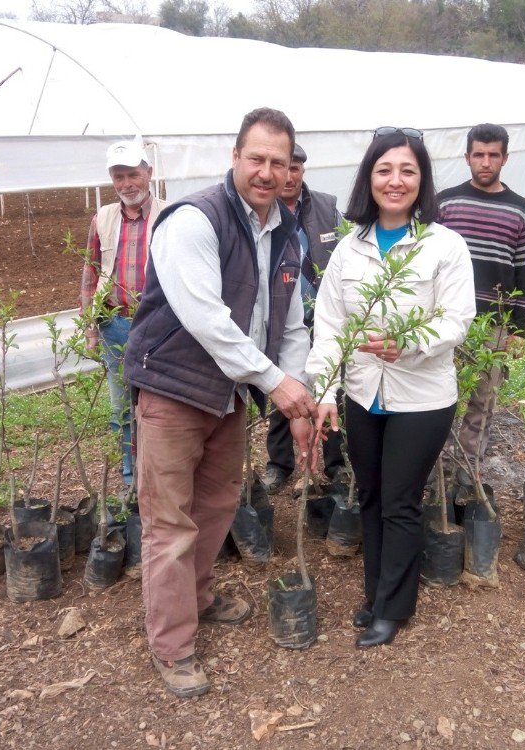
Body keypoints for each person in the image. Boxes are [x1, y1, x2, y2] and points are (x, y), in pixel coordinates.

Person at [123, 108, 318, 697]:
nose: (265, 171)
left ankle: (199, 598)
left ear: (291, 170)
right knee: (169, 522)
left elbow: (291, 324)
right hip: (175, 390)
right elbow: (207, 318)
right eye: (255, 158)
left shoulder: (287, 232)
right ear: (235, 157)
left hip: (229, 395)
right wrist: (273, 383)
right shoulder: (195, 221)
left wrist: (298, 386)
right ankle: (173, 645)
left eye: (277, 162)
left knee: (215, 506)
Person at [306, 127, 475, 648]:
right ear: (369, 178)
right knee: (373, 495)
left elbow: (457, 319)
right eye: (384, 170)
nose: (395, 180)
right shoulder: (348, 248)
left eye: (407, 170)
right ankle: (374, 593)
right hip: (362, 392)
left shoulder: (443, 245)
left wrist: (411, 343)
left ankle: (393, 608)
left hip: (421, 397)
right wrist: (323, 390)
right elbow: (331, 323)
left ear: (421, 180)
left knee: (400, 500)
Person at [437, 123, 525, 462]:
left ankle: (466, 471)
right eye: (478, 154)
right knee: (437, 393)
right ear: (467, 157)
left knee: (483, 399)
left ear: (505, 158)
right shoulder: (446, 202)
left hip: (494, 322)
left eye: (493, 155)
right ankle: (431, 466)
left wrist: (518, 328)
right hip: (445, 318)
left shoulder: (520, 209)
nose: (485, 162)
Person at [79, 138, 168, 486]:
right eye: (119, 177)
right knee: (121, 407)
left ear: (148, 172)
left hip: (158, 326)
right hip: (114, 324)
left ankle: (158, 470)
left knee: (161, 402)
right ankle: (131, 475)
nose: (126, 184)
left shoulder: (170, 213)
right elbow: (90, 272)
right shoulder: (103, 218)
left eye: (133, 174)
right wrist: (90, 327)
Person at [262, 142, 345, 494]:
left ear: (302, 172)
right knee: (284, 387)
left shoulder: (326, 206)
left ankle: (335, 462)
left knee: (330, 387)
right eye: (286, 167)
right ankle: (279, 464)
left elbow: (345, 251)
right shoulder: (263, 209)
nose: (290, 176)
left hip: (324, 317)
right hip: (281, 316)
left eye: (296, 168)